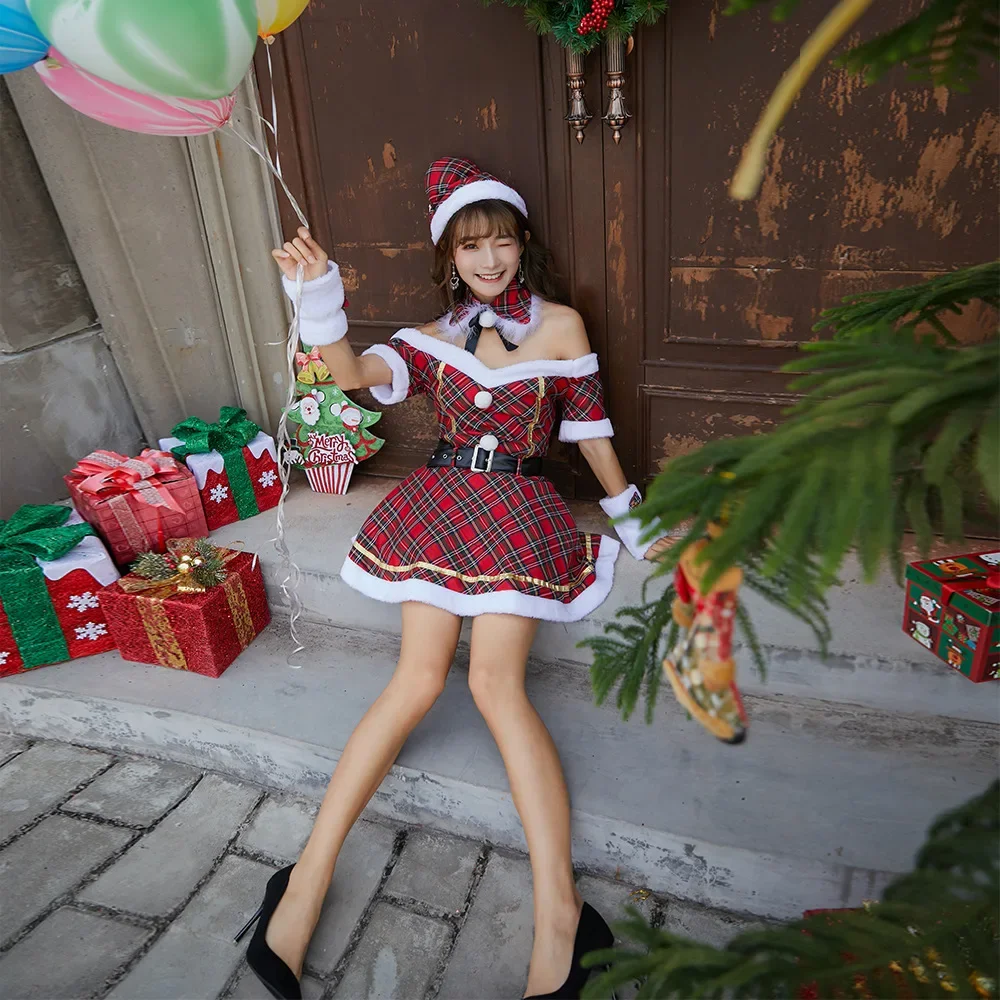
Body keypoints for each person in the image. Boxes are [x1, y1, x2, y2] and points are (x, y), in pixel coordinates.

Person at [237, 157, 666, 1000]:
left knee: (496, 686)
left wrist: (631, 518)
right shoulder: (431, 341)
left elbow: (587, 431)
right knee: (417, 680)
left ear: (522, 246)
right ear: (450, 256)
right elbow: (352, 375)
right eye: (473, 245)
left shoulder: (562, 327)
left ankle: (561, 915)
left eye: (503, 240)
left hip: (519, 504)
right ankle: (305, 880)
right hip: (438, 501)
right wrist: (319, 295)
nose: (491, 259)